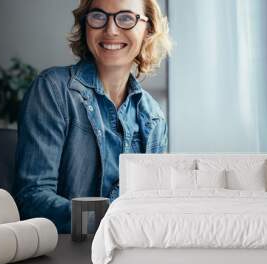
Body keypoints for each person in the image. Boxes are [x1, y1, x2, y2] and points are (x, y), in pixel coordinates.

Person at [12, 0, 171, 233]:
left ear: (148, 30)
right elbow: (31, 198)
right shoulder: (53, 90)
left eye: (126, 18)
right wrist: (112, 222)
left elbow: (152, 208)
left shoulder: (154, 117)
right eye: (98, 16)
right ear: (85, 24)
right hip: (65, 257)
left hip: (128, 259)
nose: (111, 30)